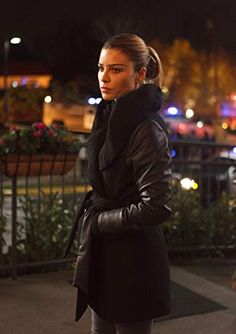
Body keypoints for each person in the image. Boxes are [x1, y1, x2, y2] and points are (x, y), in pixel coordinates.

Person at [65, 33, 172, 334]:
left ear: (140, 74)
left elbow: (156, 207)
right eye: (101, 68)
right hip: (105, 256)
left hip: (134, 262)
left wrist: (100, 222)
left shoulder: (146, 129)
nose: (104, 77)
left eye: (116, 69)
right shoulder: (108, 115)